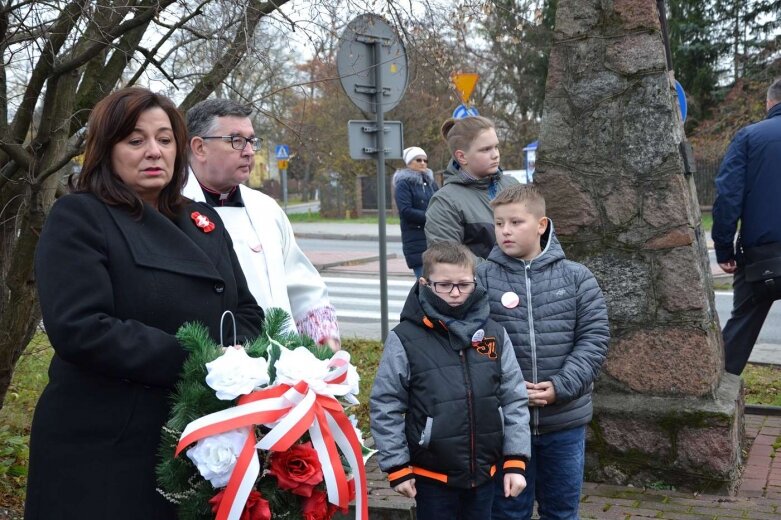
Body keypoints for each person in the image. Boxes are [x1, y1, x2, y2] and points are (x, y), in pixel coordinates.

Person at [25, 88, 264, 519]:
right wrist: (204, 362)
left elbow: (246, 313)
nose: (154, 151)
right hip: (107, 446)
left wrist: (238, 365)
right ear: (107, 149)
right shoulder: (81, 217)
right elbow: (81, 328)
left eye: (165, 139)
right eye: (135, 141)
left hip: (198, 440)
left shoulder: (201, 221)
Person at [370, 241, 531, 520]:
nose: (455, 293)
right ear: (424, 283)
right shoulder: (405, 339)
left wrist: (515, 460)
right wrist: (397, 466)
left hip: (484, 472)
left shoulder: (493, 333)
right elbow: (387, 404)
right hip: (432, 475)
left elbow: (513, 397)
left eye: (464, 284)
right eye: (444, 285)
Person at [476, 184, 610, 519]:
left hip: (563, 423)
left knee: (561, 512)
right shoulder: (481, 280)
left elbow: (593, 339)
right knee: (508, 513)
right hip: (505, 426)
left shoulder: (577, 278)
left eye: (516, 222)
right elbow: (474, 338)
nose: (505, 231)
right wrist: (508, 388)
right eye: (499, 223)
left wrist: (560, 386)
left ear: (541, 224)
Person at [184, 98, 340, 350]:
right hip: (211, 368)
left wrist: (324, 337)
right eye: (236, 141)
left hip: (282, 366)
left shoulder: (266, 209)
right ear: (200, 147)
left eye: (251, 141)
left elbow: (301, 283)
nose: (248, 151)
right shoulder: (171, 209)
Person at [712, 78, 781, 375]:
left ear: (770, 102)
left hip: (761, 258)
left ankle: (719, 398)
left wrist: (724, 248)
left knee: (740, 328)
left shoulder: (750, 137)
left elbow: (728, 197)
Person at [425, 116, 518, 262]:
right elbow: (448, 259)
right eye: (486, 149)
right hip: (479, 284)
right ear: (462, 157)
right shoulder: (445, 202)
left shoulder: (513, 186)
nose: (495, 154)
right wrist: (502, 275)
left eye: (496, 146)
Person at [394, 146, 439, 278]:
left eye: (425, 160)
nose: (423, 163)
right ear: (408, 163)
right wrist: (430, 217)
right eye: (418, 160)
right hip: (415, 240)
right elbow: (405, 210)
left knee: (437, 284)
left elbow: (439, 203)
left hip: (434, 239)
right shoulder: (403, 184)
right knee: (424, 284)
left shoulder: (431, 183)